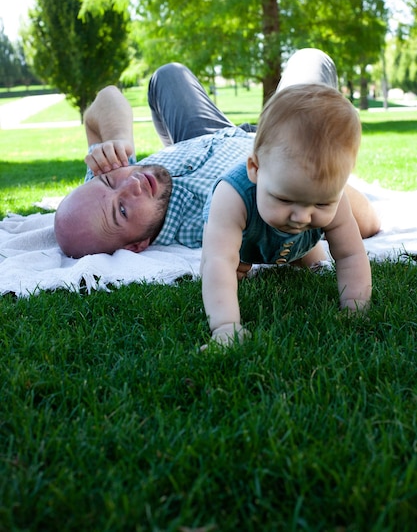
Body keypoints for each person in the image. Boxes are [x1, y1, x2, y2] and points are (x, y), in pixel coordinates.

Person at [54, 48, 380, 262]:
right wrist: (317, 179)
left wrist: (116, 140)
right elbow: (360, 220)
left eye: (111, 181)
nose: (132, 184)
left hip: (203, 136)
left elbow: (106, 100)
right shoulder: (208, 224)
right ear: (135, 247)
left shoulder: (101, 189)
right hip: (280, 145)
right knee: (311, 60)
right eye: (122, 210)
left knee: (167, 74)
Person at [200, 50, 379, 347]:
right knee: (226, 269)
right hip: (245, 241)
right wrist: (225, 327)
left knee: (311, 262)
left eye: (321, 203)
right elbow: (218, 262)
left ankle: (291, 250)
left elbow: (350, 255)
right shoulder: (231, 196)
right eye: (285, 199)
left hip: (298, 245)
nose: (301, 216)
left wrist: (355, 310)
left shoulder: (331, 201)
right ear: (255, 168)